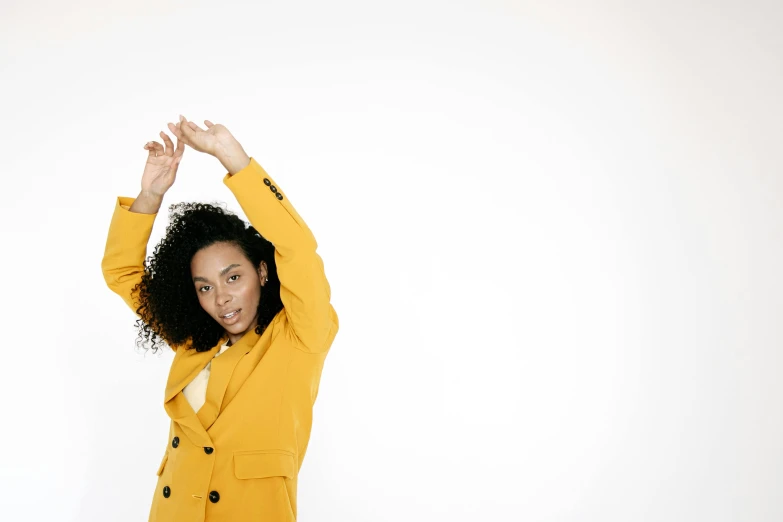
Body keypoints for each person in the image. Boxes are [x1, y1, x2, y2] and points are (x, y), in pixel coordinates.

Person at [101, 115, 339, 522]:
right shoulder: (194, 341)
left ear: (262, 272)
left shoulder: (300, 336)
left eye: (233, 277)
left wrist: (234, 159)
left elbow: (297, 248)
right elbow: (122, 274)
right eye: (204, 286)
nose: (221, 297)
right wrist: (150, 195)